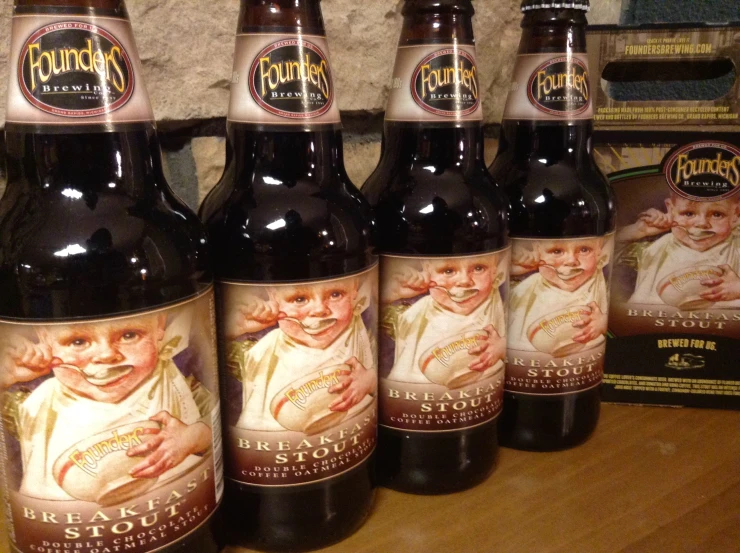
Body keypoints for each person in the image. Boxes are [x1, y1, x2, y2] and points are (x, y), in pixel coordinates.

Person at [0, 309, 215, 501]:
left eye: (129, 335)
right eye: (78, 342)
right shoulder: (30, 402)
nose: (107, 355)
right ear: (44, 337)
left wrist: (193, 436)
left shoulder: (180, 384)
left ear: (159, 325)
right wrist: (5, 379)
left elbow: (212, 419)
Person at [227, 276, 377, 432]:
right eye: (299, 299)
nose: (319, 310)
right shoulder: (263, 349)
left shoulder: (363, 331)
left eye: (335, 294)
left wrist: (369, 380)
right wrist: (234, 328)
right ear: (273, 296)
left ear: (354, 289)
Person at [381, 254, 507, 384]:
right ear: (427, 269)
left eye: (479, 268)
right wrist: (390, 293)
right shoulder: (415, 314)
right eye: (448, 271)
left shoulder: (501, 303)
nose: (464, 280)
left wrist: (502, 347)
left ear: (494, 270)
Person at [617, 193, 740, 307]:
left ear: (736, 214)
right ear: (671, 209)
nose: (702, 223)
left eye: (717, 214)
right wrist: (637, 231)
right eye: (689, 213)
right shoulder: (652, 250)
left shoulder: (737, 249)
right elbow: (603, 256)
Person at [508, 238, 610, 353]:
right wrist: (509, 270)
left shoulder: (601, 279)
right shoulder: (525, 289)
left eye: (584, 249)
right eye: (556, 251)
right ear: (537, 250)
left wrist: (603, 322)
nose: (571, 261)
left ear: (599, 251)